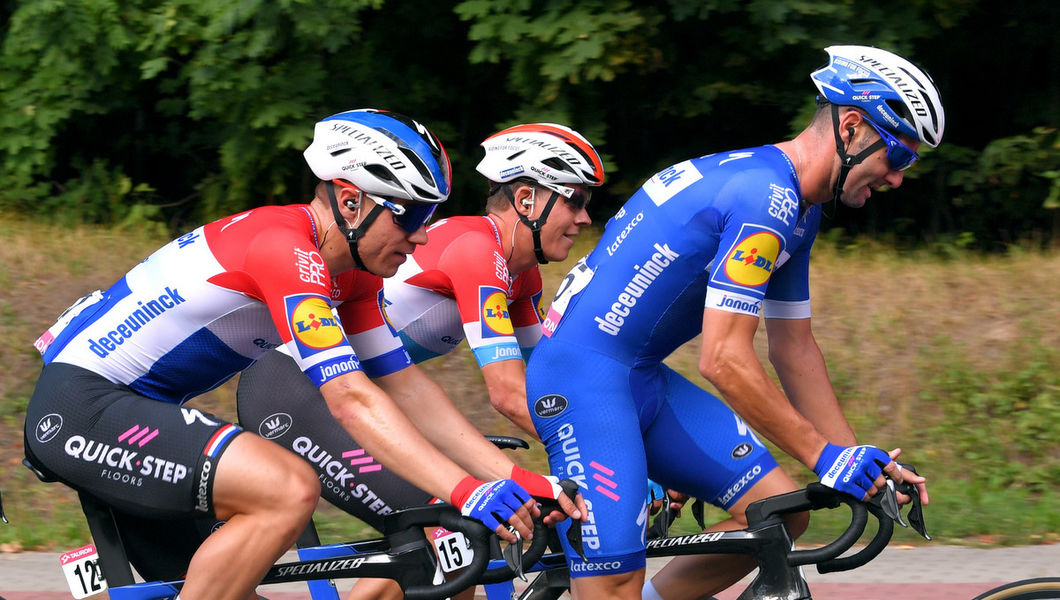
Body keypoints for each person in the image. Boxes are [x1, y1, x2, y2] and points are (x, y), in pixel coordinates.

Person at [24, 108, 577, 600]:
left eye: (429, 217)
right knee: (286, 488)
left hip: (133, 407)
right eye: (409, 217)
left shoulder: (352, 276)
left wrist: (512, 477)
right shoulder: (285, 248)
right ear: (351, 200)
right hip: (84, 405)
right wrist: (466, 488)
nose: (422, 239)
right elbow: (350, 399)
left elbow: (407, 388)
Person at [524, 45, 943, 600]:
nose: (896, 178)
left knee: (774, 517)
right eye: (897, 156)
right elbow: (723, 358)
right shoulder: (763, 200)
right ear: (852, 126)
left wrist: (856, 464)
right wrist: (824, 456)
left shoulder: (799, 207)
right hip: (582, 381)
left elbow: (794, 348)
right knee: (613, 584)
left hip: (639, 378)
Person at [235, 122, 603, 599]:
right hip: (295, 391)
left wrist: (614, 457)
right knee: (450, 534)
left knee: (458, 553)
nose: (585, 218)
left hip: (366, 398)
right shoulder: (477, 250)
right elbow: (510, 394)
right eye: (574, 200)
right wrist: (606, 469)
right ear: (528, 201)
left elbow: (546, 391)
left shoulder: (523, 276)